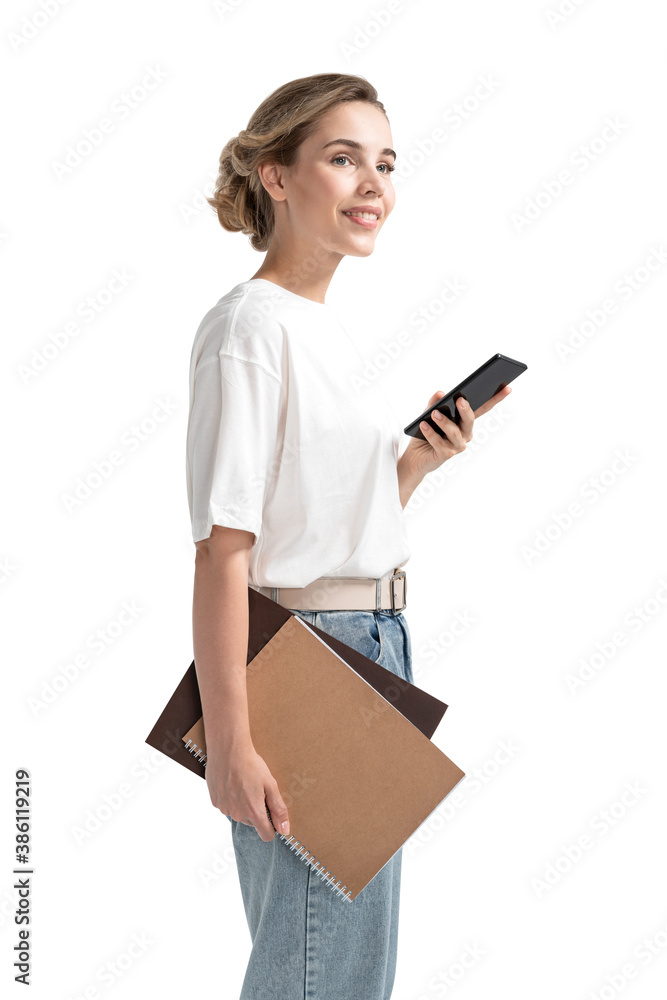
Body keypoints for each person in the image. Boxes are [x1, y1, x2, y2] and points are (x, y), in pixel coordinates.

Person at [186, 72, 511, 1000]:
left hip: (367, 643)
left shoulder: (317, 330)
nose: (374, 183)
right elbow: (222, 550)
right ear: (274, 175)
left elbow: (326, 526)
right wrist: (233, 746)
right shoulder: (250, 330)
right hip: (305, 657)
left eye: (385, 163)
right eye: (342, 158)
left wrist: (415, 464)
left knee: (344, 969)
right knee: (318, 970)